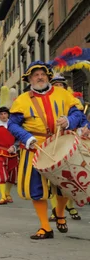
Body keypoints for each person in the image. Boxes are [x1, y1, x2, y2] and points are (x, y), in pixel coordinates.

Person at [8, 61, 87, 239]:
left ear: (48, 76)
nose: (40, 77)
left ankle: (60, 214)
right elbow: (12, 124)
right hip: (35, 147)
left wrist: (68, 121)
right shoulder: (21, 100)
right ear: (29, 79)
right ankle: (45, 227)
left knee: (64, 185)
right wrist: (27, 138)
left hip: (61, 143)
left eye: (42, 74)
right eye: (35, 75)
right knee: (36, 188)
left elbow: (78, 114)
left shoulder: (63, 94)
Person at [47, 74, 83, 222]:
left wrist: (83, 128)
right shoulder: (46, 101)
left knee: (70, 177)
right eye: (55, 84)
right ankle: (56, 209)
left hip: (69, 142)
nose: (58, 87)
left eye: (60, 85)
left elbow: (81, 120)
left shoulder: (72, 102)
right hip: (51, 143)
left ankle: (69, 205)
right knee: (52, 180)